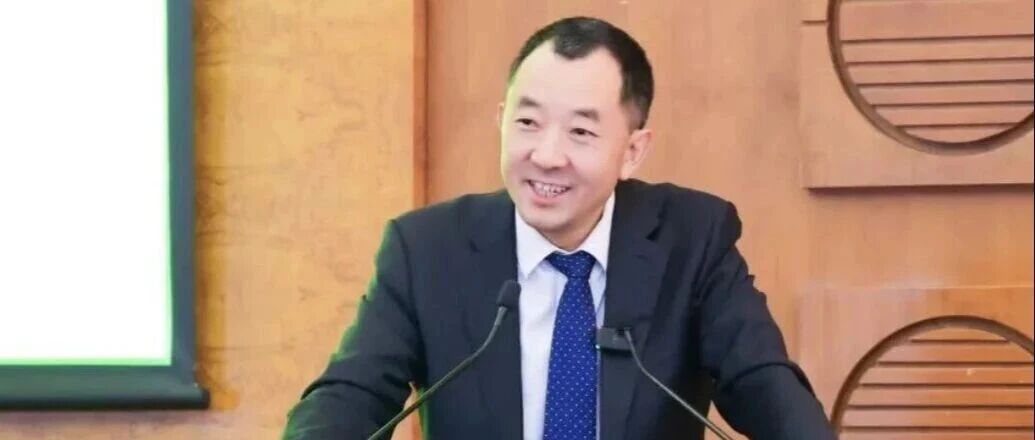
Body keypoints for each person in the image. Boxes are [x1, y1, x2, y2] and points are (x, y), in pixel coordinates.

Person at [283, 16, 835, 440]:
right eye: (527, 122)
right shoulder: (426, 250)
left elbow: (762, 383)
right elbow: (349, 396)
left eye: (580, 133)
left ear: (633, 151)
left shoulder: (693, 240)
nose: (546, 156)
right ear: (501, 120)